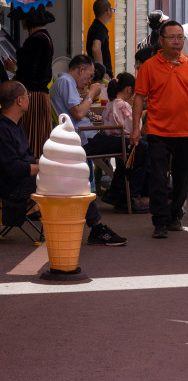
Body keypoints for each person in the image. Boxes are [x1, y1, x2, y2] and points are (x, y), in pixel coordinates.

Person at [131, 20, 188, 239]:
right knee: (158, 178)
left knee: (184, 176)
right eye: (171, 37)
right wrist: (136, 128)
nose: (176, 41)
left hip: (187, 131)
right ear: (161, 40)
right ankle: (160, 221)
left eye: (180, 37)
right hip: (158, 131)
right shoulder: (148, 66)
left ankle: (174, 216)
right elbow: (139, 99)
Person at [48, 55, 127, 246]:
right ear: (81, 69)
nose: (90, 80)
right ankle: (120, 195)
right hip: (83, 139)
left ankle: (113, 202)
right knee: (136, 145)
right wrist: (91, 94)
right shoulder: (66, 82)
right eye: (90, 75)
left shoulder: (64, 83)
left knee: (136, 145)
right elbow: (78, 113)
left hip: (84, 137)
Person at [92, 72, 149, 213]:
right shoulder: (122, 105)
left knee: (140, 148)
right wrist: (141, 117)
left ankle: (116, 190)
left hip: (113, 140)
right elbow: (134, 127)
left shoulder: (111, 104)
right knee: (144, 147)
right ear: (129, 89)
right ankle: (132, 194)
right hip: (122, 140)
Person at [13, 6, 55, 159]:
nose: (22, 21)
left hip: (32, 98)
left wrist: (16, 74)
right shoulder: (45, 37)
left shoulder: (35, 40)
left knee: (33, 140)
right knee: (40, 137)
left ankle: (32, 176)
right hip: (40, 97)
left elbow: (28, 73)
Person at [0, 80, 39, 225]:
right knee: (66, 177)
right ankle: (95, 226)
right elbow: (12, 169)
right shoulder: (3, 129)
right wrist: (46, 168)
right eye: (27, 95)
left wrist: (48, 161)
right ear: (20, 101)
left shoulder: (18, 125)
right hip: (11, 187)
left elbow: (28, 157)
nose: (29, 98)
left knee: (67, 172)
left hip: (23, 180)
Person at [86, 0, 114, 78]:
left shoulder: (96, 27)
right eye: (112, 10)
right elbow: (96, 49)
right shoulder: (99, 28)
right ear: (108, 10)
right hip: (102, 77)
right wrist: (102, 72)